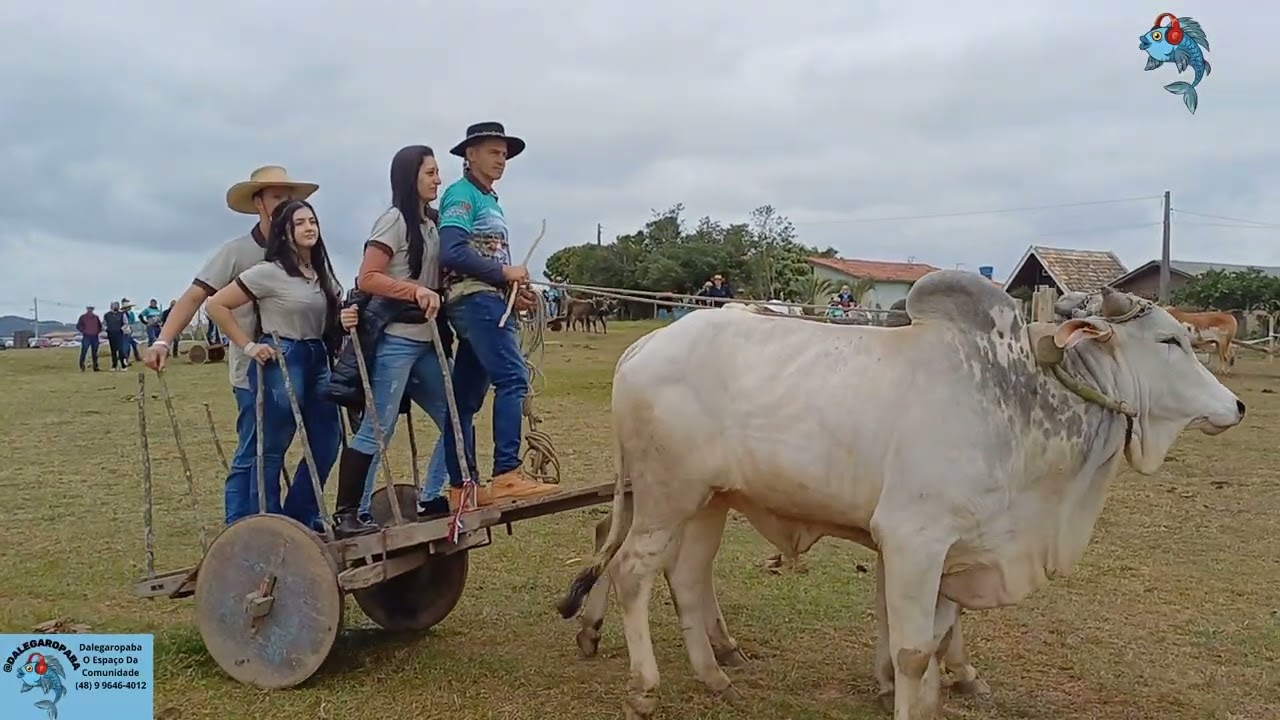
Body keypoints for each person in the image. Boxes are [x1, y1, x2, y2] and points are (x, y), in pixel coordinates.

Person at [143, 165, 320, 527]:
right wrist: (164, 340)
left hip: (300, 365)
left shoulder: (306, 252)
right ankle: (243, 527)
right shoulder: (237, 252)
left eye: (288, 196)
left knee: (302, 444)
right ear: (258, 204)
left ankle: (291, 520)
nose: (283, 203)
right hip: (251, 368)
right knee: (256, 452)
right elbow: (195, 297)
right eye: (275, 196)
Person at [329, 144, 469, 537]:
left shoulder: (434, 223)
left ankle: (432, 493)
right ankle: (349, 513)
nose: (438, 179)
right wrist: (415, 292)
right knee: (378, 427)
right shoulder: (394, 220)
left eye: (438, 172)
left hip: (428, 340)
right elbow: (367, 278)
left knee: (457, 415)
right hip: (396, 339)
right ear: (411, 177)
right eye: (430, 173)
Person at [205, 199, 344, 528]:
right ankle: (267, 519)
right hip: (283, 354)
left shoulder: (322, 272)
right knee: (273, 442)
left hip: (317, 356)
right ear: (286, 232)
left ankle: (301, 515)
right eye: (300, 223)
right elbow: (216, 305)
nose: (309, 227)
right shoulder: (269, 272)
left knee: (327, 439)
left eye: (313, 220)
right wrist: (249, 346)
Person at [438, 122, 555, 505]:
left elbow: (483, 255)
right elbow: (452, 251)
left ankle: (462, 488)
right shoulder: (461, 194)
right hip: (475, 301)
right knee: (513, 378)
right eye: (493, 151)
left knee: (464, 401)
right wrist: (505, 274)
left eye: (504, 154)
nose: (501, 159)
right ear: (470, 155)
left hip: (487, 298)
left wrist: (512, 290)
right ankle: (506, 474)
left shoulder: (491, 200)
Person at [103, 301, 129, 370]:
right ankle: (114, 365)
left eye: (117, 305)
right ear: (111, 306)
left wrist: (121, 329)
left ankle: (123, 366)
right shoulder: (107, 315)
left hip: (119, 334)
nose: (116, 307)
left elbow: (126, 323)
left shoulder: (121, 314)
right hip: (111, 334)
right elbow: (104, 324)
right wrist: (107, 329)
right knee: (113, 350)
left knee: (121, 350)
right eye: (115, 305)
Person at [75, 305, 102, 372]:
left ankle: (95, 367)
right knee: (84, 351)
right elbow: (78, 326)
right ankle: (82, 366)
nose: (90, 310)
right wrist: (84, 331)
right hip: (86, 336)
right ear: (87, 309)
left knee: (95, 353)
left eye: (91, 309)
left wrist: (97, 332)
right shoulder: (83, 317)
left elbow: (100, 326)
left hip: (95, 337)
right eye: (89, 308)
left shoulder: (96, 317)